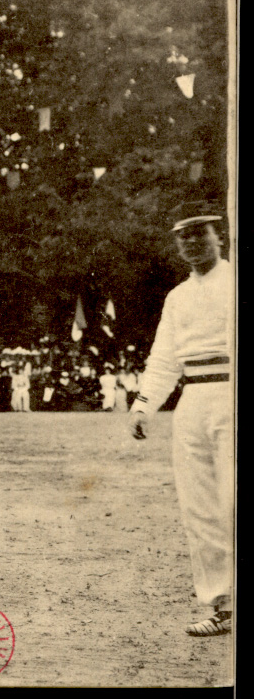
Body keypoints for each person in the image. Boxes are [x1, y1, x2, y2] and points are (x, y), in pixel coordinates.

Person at [129, 202, 234, 637]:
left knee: (233, 500)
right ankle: (222, 605)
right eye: (183, 236)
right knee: (200, 509)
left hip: (232, 394)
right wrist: (143, 405)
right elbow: (164, 358)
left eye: (200, 232)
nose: (192, 242)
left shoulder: (234, 282)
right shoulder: (177, 297)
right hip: (192, 401)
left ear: (219, 236)